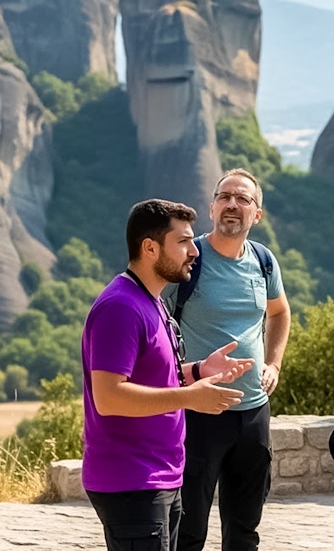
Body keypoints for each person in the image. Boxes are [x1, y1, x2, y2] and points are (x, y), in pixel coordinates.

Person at [81, 198, 255, 551]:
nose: (194, 251)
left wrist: (198, 371)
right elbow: (109, 396)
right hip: (131, 483)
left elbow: (157, 378)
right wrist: (190, 397)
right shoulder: (121, 307)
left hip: (160, 479)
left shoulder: (152, 300)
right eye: (183, 242)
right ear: (149, 247)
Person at [164, 168, 291, 551]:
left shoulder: (264, 261)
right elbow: (157, 326)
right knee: (189, 530)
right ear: (212, 207)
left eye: (243, 199)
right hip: (199, 413)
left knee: (244, 530)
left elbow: (280, 313)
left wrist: (274, 364)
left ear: (257, 214)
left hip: (252, 412)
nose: (233, 205)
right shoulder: (189, 260)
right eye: (225, 197)